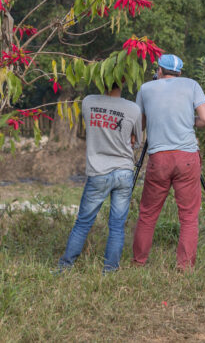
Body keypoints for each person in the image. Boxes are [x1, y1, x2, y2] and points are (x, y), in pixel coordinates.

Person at [132, 53, 205, 271]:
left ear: (159, 70)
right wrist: (188, 121)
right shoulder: (191, 85)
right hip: (187, 156)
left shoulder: (146, 88)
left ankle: (139, 262)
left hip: (159, 157)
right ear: (180, 73)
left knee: (148, 213)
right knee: (188, 215)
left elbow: (138, 125)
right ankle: (184, 266)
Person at [57, 79, 143, 273]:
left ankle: (65, 267)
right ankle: (110, 269)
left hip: (98, 172)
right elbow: (137, 141)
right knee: (117, 226)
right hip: (124, 171)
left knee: (83, 223)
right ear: (123, 81)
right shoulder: (133, 108)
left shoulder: (89, 101)